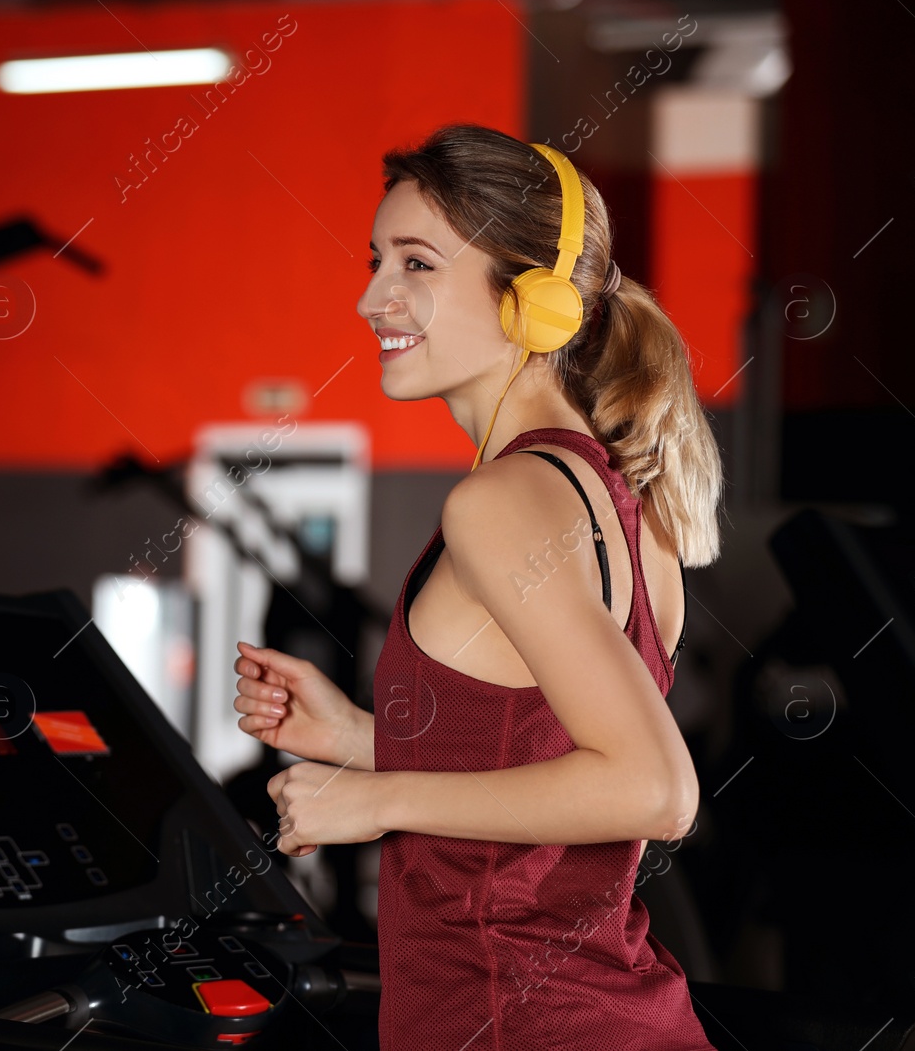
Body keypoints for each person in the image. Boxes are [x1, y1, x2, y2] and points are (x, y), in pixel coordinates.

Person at [232, 123, 724, 1050]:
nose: (372, 297)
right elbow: (539, 757)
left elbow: (654, 790)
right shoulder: (629, 499)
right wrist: (359, 742)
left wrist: (378, 803)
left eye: (417, 264)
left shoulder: (499, 504)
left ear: (530, 299)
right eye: (376, 259)